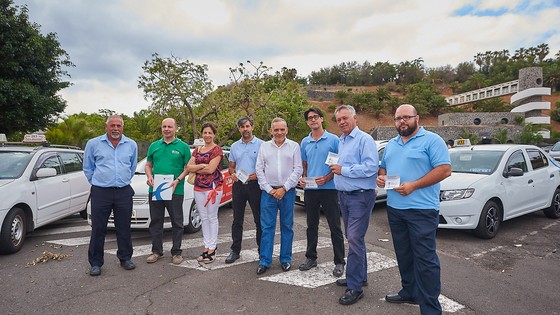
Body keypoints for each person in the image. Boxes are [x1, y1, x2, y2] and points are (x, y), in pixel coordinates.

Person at [376, 104, 451, 315]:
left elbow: (444, 170)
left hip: (422, 210)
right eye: (398, 118)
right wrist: (381, 178)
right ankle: (409, 291)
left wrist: (414, 185)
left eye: (406, 117)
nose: (402, 122)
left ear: (417, 118)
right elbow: (384, 168)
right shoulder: (391, 144)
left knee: (425, 260)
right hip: (395, 209)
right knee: (404, 254)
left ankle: (430, 309)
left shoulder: (432, 140)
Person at [329, 105, 378, 305]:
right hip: (345, 196)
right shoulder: (341, 140)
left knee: (354, 239)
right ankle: (360, 276)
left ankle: (355, 287)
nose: (341, 122)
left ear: (355, 118)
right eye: (338, 119)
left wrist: (343, 170)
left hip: (360, 196)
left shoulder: (364, 139)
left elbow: (371, 168)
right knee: (355, 238)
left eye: (345, 118)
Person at [83, 115, 138, 276]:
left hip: (123, 191)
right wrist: (97, 181)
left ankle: (125, 258)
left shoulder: (131, 144)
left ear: (123, 127)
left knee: (124, 227)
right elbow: (88, 167)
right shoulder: (93, 144)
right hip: (101, 192)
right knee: (98, 228)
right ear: (106, 127)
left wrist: (124, 179)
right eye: (112, 125)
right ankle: (95, 263)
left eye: (118, 126)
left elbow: (132, 166)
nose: (115, 128)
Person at [298, 108, 345, 277]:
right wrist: (303, 178)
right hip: (311, 189)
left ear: (321, 119)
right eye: (309, 118)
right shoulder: (305, 142)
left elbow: (337, 164)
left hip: (329, 189)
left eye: (315, 117)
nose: (313, 120)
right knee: (311, 225)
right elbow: (304, 163)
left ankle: (339, 261)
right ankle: (311, 257)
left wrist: (327, 178)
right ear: (307, 122)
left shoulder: (333, 140)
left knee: (334, 226)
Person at [255, 118, 302, 275]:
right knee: (267, 227)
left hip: (287, 192)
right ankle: (265, 260)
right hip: (268, 193)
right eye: (276, 130)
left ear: (287, 130)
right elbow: (259, 169)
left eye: (282, 129)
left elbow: (298, 170)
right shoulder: (264, 147)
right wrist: (269, 189)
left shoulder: (294, 147)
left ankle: (285, 259)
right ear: (271, 131)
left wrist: (284, 188)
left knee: (287, 226)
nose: (279, 132)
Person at [144, 118, 191, 265]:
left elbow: (188, 167)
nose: (166, 129)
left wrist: (178, 180)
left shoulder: (183, 147)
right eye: (164, 126)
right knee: (156, 221)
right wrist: (149, 176)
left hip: (175, 190)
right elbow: (148, 165)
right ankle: (156, 251)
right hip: (156, 189)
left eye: (170, 126)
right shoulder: (154, 146)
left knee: (177, 222)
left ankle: (176, 252)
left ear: (176, 128)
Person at [225, 116, 264, 264]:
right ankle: (235, 250)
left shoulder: (262, 145)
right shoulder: (234, 146)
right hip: (239, 186)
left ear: (252, 127)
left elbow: (265, 166)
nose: (245, 129)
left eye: (247, 126)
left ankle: (262, 251)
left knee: (259, 219)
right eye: (242, 127)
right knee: (237, 219)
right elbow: (231, 166)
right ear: (239, 129)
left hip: (256, 185)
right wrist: (232, 174)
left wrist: (256, 175)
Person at [186, 122, 224, 264]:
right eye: (205, 132)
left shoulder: (217, 150)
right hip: (198, 187)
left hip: (212, 188)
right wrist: (201, 166)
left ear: (214, 134)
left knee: (212, 217)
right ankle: (206, 246)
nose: (207, 135)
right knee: (203, 217)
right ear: (202, 134)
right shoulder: (197, 150)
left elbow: (211, 170)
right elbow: (188, 166)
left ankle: (212, 249)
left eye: (210, 133)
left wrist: (197, 168)